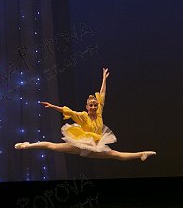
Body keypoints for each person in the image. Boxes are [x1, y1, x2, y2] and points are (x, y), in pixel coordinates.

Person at [15, 68, 156, 161]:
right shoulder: (83, 115)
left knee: (115, 155)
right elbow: (68, 111)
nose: (94, 107)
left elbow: (102, 94)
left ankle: (142, 154)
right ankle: (27, 145)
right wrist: (52, 106)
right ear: (87, 107)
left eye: (95, 105)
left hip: (95, 146)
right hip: (81, 144)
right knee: (53, 146)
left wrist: (104, 80)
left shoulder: (99, 113)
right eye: (91, 105)